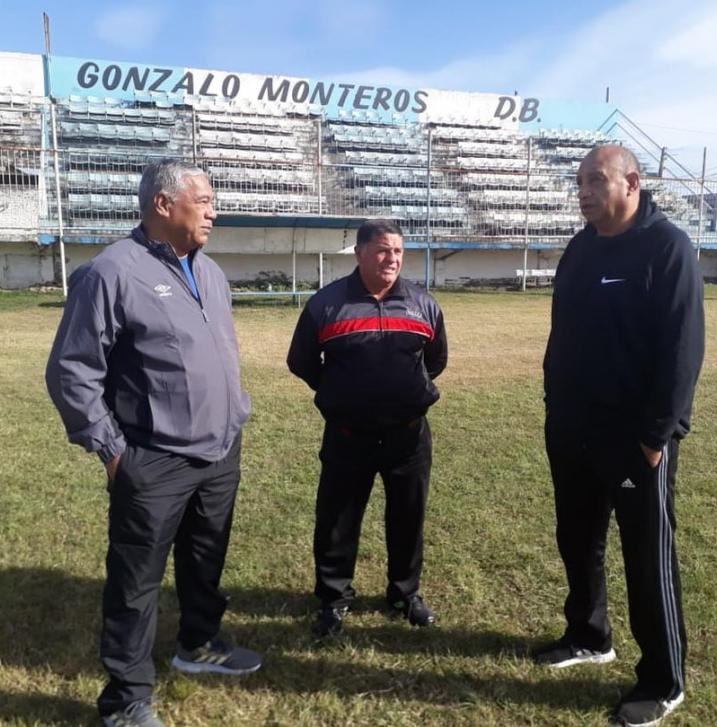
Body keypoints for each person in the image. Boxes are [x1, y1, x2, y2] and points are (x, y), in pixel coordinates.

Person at [46, 159, 261, 727]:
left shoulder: (210, 271)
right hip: (152, 458)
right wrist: (114, 451)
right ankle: (126, 699)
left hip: (218, 450)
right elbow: (73, 369)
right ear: (164, 205)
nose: (215, 210)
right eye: (205, 200)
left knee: (204, 559)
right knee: (135, 581)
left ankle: (198, 645)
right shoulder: (112, 271)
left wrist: (234, 413)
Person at [536, 145, 705, 727]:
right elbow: (563, 336)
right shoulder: (581, 249)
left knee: (646, 553)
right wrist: (555, 407)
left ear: (631, 182)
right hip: (573, 430)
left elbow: (682, 351)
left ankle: (664, 677)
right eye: (579, 181)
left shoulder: (667, 248)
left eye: (595, 180)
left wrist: (657, 435)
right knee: (577, 539)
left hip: (635, 439)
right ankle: (589, 634)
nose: (583, 190)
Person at [287, 219, 447, 637]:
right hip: (347, 436)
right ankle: (334, 597)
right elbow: (301, 362)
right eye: (382, 250)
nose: (391, 258)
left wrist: (403, 393)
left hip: (408, 435)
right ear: (359, 253)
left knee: (408, 516)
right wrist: (342, 393)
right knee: (338, 519)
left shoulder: (422, 303)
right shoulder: (326, 304)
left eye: (397, 250)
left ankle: (404, 593)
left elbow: (436, 361)